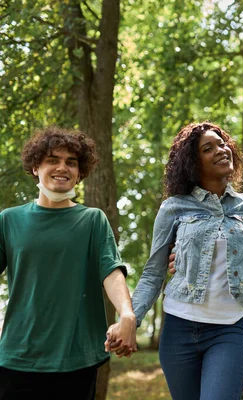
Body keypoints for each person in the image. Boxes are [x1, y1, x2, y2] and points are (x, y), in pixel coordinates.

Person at [130, 122, 243, 400]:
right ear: (193, 163)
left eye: (222, 143)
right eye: (209, 148)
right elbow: (153, 273)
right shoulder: (175, 207)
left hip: (228, 330)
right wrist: (130, 319)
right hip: (179, 328)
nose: (221, 150)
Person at [0, 126, 137, 399]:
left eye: (71, 163)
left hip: (76, 359)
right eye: (53, 159)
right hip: (17, 357)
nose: (62, 167)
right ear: (35, 167)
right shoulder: (9, 220)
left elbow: (111, 271)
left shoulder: (93, 220)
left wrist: (127, 314)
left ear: (79, 173)